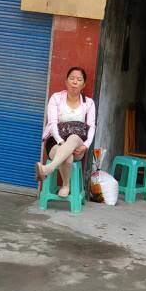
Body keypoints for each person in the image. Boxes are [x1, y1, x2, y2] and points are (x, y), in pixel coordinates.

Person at [35, 66, 96, 197]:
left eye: (79, 79)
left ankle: (48, 169)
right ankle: (66, 185)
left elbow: (92, 126)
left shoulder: (89, 103)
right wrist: (62, 142)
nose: (75, 82)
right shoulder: (56, 98)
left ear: (83, 84)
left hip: (78, 145)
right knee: (66, 155)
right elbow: (52, 123)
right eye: (72, 78)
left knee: (73, 137)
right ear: (66, 81)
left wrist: (86, 146)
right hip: (56, 141)